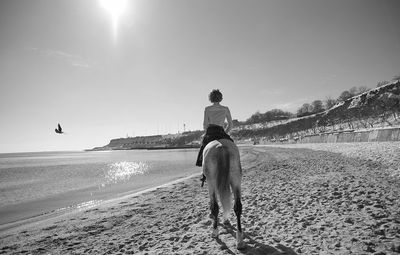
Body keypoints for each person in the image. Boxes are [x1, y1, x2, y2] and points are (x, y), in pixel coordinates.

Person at [196, 89, 234, 186]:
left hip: (211, 131)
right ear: (221, 98)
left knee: (203, 148)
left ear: (210, 98)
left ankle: (204, 173)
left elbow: (205, 124)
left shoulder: (207, 109)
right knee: (232, 144)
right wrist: (225, 132)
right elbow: (230, 124)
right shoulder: (225, 108)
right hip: (221, 131)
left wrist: (206, 131)